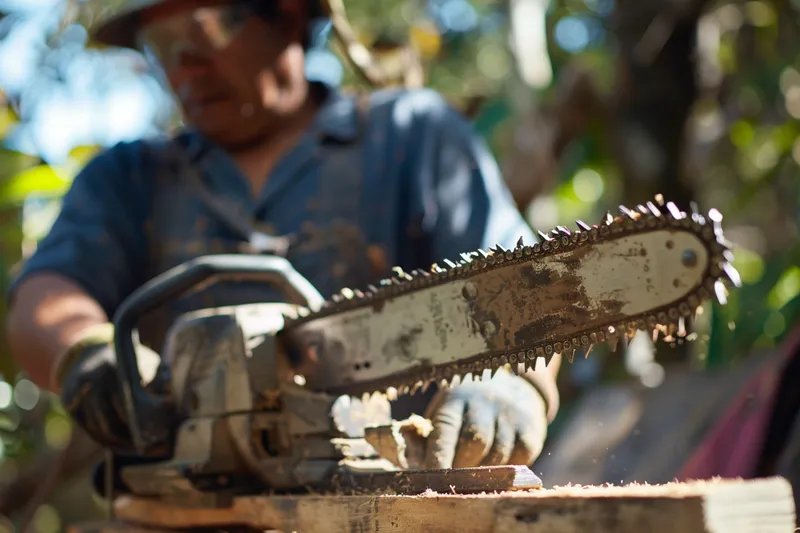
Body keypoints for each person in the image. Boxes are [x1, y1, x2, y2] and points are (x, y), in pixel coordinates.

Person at [5, 0, 561, 482]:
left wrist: (516, 385)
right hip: (185, 515)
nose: (184, 65)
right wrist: (86, 353)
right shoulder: (130, 177)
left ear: (287, 15)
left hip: (390, 506)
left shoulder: (411, 137)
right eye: (162, 43)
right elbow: (44, 300)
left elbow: (521, 292)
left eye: (204, 33)